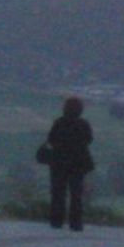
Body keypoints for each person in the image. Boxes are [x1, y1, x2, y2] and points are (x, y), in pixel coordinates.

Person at [47, 96, 94, 231]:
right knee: (76, 194)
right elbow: (89, 140)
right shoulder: (83, 124)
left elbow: (51, 139)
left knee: (58, 193)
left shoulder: (59, 122)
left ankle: (56, 222)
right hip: (77, 164)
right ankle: (76, 223)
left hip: (59, 163)